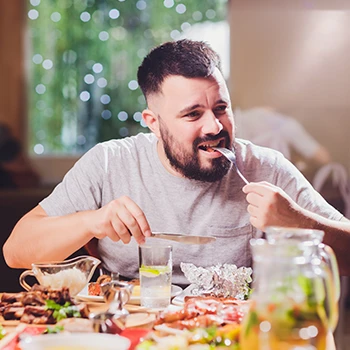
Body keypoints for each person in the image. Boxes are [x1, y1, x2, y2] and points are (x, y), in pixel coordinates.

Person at [3, 40, 350, 285]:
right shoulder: (110, 163)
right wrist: (91, 221)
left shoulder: (267, 168)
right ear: (153, 123)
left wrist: (298, 221)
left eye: (221, 108)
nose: (214, 127)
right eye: (193, 114)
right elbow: (16, 251)